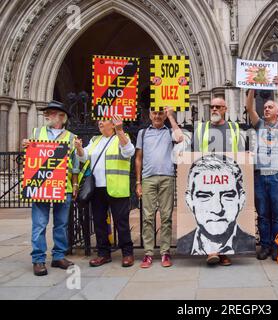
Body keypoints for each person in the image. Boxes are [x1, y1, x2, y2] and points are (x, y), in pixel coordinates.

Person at [22, 100, 79, 276]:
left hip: (63, 186)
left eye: (52, 113)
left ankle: (58, 256)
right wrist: (25, 146)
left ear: (62, 118)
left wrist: (75, 184)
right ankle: (38, 259)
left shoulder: (71, 137)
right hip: (40, 186)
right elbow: (31, 157)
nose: (48, 115)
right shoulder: (36, 133)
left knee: (61, 224)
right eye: (48, 112)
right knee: (39, 224)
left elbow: (75, 164)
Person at [74, 115, 135, 268]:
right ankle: (103, 254)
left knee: (121, 222)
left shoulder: (122, 137)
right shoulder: (95, 140)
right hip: (97, 189)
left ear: (113, 124)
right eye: (99, 120)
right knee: (99, 222)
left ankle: (127, 253)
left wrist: (120, 131)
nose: (100, 122)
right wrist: (79, 148)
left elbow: (129, 152)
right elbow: (84, 157)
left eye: (104, 120)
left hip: (117, 187)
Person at [193, 97, 245, 266]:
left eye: (218, 107)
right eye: (212, 107)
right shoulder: (201, 129)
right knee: (210, 213)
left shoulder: (234, 128)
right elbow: (193, 153)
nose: (214, 109)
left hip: (228, 178)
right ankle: (212, 252)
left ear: (225, 109)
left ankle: (224, 252)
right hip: (207, 178)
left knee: (225, 213)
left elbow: (242, 153)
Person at [245, 75, 278, 261]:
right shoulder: (259, 125)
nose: (266, 109)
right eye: (264, 107)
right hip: (260, 175)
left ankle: (276, 247)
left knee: (277, 215)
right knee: (263, 214)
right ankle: (264, 246)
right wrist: (253, 89)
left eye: (270, 107)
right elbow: (249, 108)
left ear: (277, 112)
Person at [178, 154, 255, 256]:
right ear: (189, 200)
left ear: (241, 200)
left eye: (227, 196)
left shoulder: (249, 245)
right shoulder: (182, 244)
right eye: (204, 196)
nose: (217, 209)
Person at [135, 107, 184, 268]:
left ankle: (165, 252)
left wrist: (170, 116)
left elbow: (180, 138)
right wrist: (138, 182)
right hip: (148, 178)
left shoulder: (169, 132)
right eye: (154, 113)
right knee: (147, 217)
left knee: (166, 217)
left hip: (167, 177)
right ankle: (148, 253)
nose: (157, 116)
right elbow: (138, 158)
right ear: (149, 115)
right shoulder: (142, 133)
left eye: (160, 113)